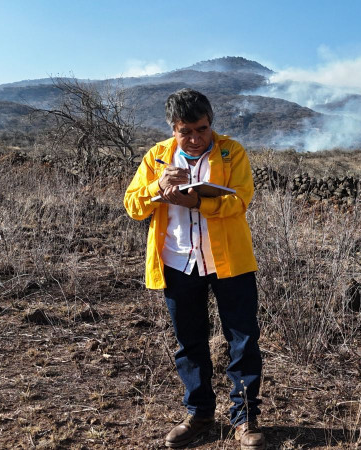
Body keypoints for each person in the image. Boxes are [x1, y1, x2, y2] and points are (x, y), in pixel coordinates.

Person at [124, 89, 265, 449]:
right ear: (173, 128)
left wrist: (198, 202)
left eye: (201, 129)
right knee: (189, 342)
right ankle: (200, 415)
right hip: (178, 262)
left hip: (229, 262)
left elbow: (241, 199)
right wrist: (158, 186)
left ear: (210, 123)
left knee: (243, 340)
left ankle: (244, 419)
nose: (195, 138)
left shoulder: (232, 152)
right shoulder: (157, 157)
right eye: (186, 131)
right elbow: (133, 206)